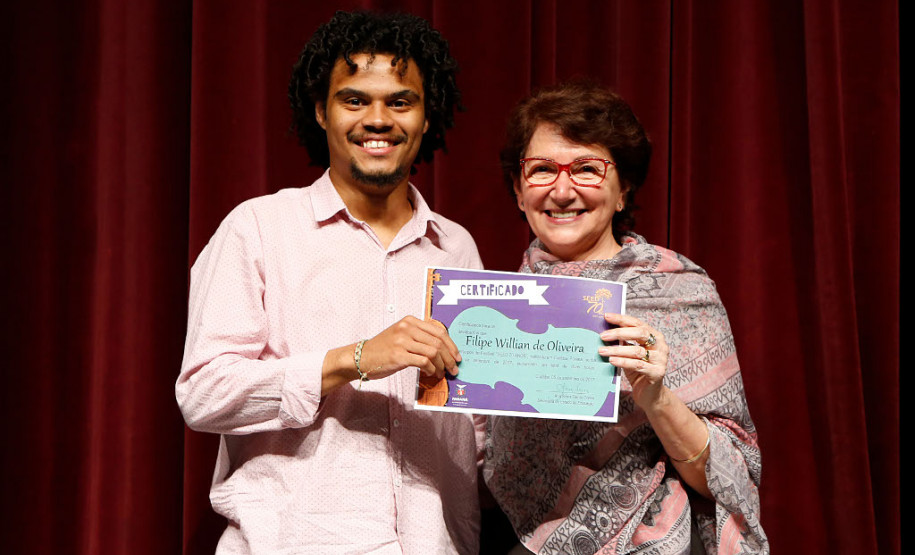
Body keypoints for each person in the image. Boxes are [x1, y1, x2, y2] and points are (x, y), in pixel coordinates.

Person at [176, 11, 483, 554]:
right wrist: (356, 358)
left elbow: (475, 428)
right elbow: (204, 393)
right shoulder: (259, 228)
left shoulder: (455, 246)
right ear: (321, 111)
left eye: (400, 101)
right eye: (355, 100)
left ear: (426, 117)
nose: (378, 118)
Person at [482, 81, 769, 554]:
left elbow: (728, 475)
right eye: (542, 170)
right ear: (518, 191)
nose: (562, 188)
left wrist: (654, 396)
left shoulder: (682, 292)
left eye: (587, 169)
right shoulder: (491, 306)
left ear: (622, 192)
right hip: (514, 541)